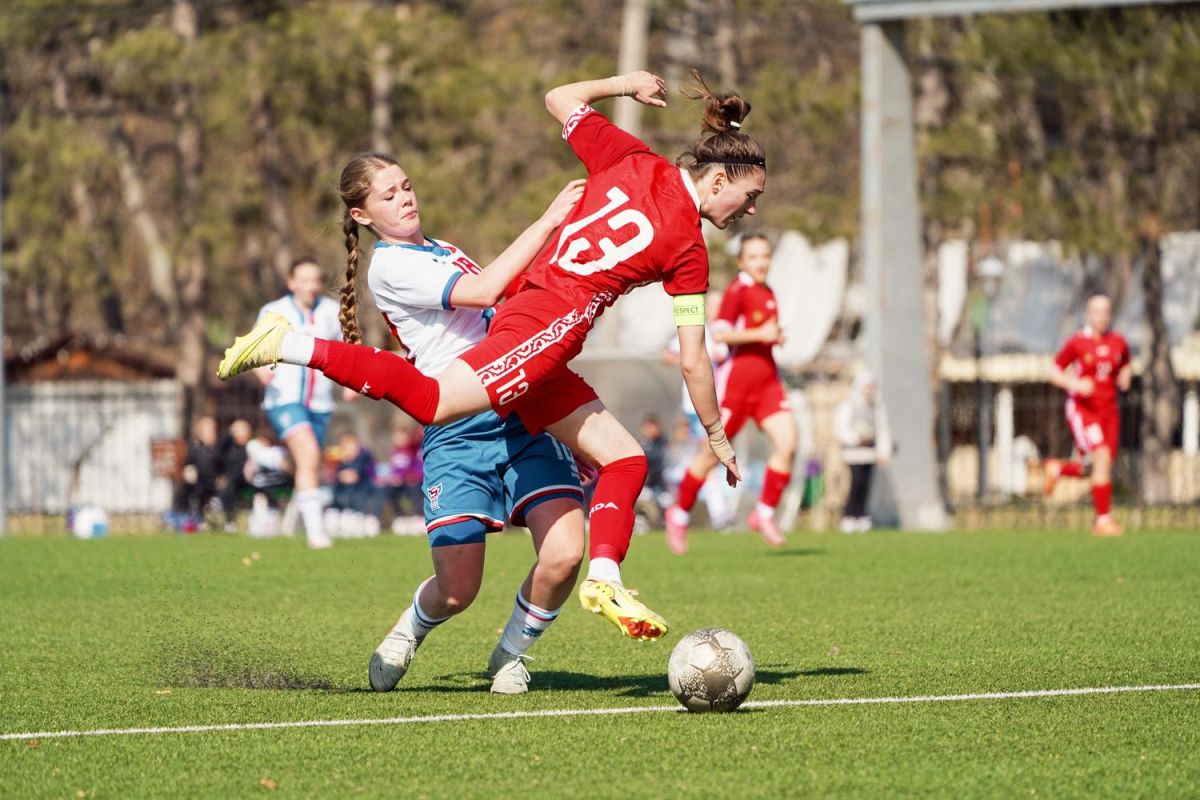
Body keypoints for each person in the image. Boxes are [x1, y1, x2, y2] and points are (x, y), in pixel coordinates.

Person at [218, 69, 764, 641]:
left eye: (406, 187)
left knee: (626, 460)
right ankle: (288, 343)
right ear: (718, 178)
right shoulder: (689, 249)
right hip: (545, 327)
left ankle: (602, 577)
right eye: (750, 196)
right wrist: (716, 434)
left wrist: (627, 84)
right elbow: (694, 360)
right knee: (433, 404)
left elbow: (558, 96)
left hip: (534, 330)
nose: (750, 210)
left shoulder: (631, 157)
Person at [664, 234, 795, 552]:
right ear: (741, 261)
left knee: (788, 443)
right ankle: (679, 513)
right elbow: (721, 333)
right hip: (737, 387)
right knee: (711, 456)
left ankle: (764, 514)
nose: (761, 262)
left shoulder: (767, 291)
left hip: (767, 383)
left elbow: (758, 334)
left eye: (765, 256)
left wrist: (772, 337)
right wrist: (760, 333)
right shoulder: (737, 291)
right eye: (753, 257)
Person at [252, 258, 351, 549]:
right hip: (284, 399)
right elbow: (253, 347)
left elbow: (347, 351)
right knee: (308, 455)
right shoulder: (273, 311)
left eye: (315, 280)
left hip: (319, 403)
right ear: (291, 282)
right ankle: (316, 533)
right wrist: (261, 370)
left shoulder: (331, 312)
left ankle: (271, 458)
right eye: (304, 280)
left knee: (308, 464)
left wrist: (351, 384)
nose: (311, 286)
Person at [1044, 294, 1131, 536]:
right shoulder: (1077, 342)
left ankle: (1058, 470)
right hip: (1084, 410)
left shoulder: (1118, 341)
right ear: (1088, 314)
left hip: (1109, 411)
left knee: (1097, 467)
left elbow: (1125, 363)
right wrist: (1075, 384)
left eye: (1106, 311)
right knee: (1100, 458)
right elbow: (1052, 372)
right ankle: (1103, 521)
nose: (1102, 316)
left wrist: (1125, 376)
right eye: (1097, 311)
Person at [833, 371, 892, 533]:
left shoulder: (876, 407)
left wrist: (883, 452)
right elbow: (840, 428)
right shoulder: (849, 405)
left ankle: (861, 515)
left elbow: (882, 430)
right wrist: (856, 438)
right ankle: (849, 515)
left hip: (869, 453)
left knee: (866, 485)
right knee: (856, 483)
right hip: (853, 453)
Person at [172, 415, 221, 528]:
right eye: (205, 429)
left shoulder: (219, 447)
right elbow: (188, 463)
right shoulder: (195, 447)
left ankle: (202, 518)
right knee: (185, 489)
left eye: (210, 429)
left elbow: (225, 465)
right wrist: (188, 471)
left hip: (214, 480)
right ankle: (183, 517)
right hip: (198, 480)